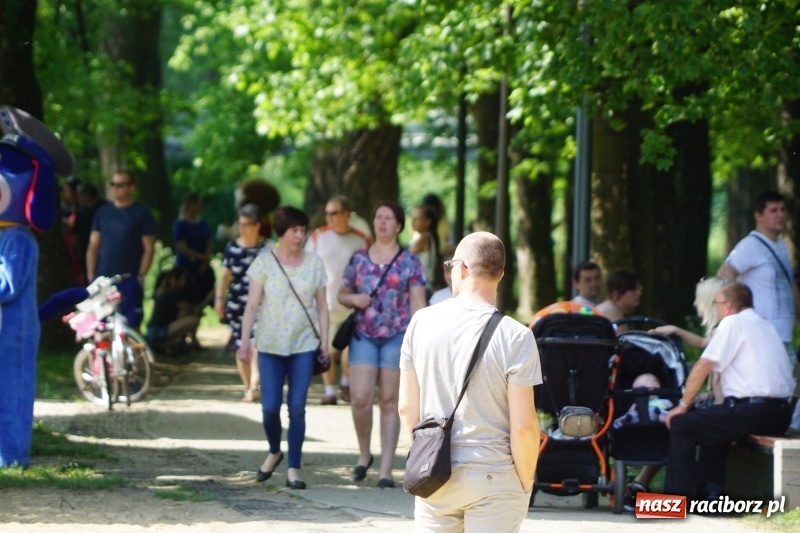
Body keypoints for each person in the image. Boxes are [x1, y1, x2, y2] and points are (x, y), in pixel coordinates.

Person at [398, 231, 541, 531]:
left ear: (460, 268)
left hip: (436, 479)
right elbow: (525, 426)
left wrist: (424, 462)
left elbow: (406, 408)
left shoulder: (420, 323)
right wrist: (525, 482)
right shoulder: (516, 336)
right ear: (500, 275)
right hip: (495, 478)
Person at [663, 282, 795, 500]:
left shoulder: (732, 322)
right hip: (781, 413)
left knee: (681, 424)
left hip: (754, 411)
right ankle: (710, 493)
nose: (716, 308)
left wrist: (683, 406)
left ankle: (675, 501)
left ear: (729, 306)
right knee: (714, 420)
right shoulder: (765, 324)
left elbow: (703, 366)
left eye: (717, 303)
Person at [337, 201, 427, 488]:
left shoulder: (409, 261)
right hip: (363, 334)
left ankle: (386, 469)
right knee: (360, 397)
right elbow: (342, 293)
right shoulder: (358, 258)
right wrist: (354, 299)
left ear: (399, 225)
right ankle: (364, 455)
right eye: (378, 217)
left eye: (389, 218)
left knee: (390, 400)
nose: (382, 222)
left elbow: (417, 303)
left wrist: (420, 338)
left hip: (396, 337)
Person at [238, 206, 328, 490]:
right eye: (294, 230)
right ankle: (275, 449)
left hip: (303, 344)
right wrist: (244, 343)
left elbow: (323, 307)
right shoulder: (264, 263)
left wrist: (324, 341)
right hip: (269, 344)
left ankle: (293, 468)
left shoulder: (314, 263)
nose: (300, 236)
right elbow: (251, 304)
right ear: (282, 232)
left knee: (298, 407)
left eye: (303, 230)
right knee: (269, 407)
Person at [717, 190, 800, 434]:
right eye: (773, 211)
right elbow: (725, 274)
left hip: (783, 332)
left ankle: (790, 436)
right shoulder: (750, 246)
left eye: (783, 210)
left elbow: (789, 284)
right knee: (784, 387)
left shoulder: (781, 245)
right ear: (758, 215)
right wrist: (741, 312)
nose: (780, 215)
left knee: (791, 386)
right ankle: (788, 439)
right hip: (766, 333)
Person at [305, 195, 370, 405]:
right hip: (324, 303)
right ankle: (328, 390)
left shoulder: (361, 239)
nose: (329, 217)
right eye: (327, 213)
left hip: (352, 303)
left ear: (346, 214)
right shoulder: (318, 236)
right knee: (326, 348)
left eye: (333, 213)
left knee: (350, 348)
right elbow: (307, 266)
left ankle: (345, 382)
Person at [86, 170, 156, 330]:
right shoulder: (103, 212)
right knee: (102, 326)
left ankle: (134, 355)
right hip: (103, 280)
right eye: (113, 184)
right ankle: (107, 356)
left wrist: (141, 275)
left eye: (120, 184)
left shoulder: (142, 213)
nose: (115, 188)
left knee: (132, 326)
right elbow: (93, 245)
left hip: (129, 278)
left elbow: (149, 247)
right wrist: (91, 274)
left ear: (131, 187)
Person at [215, 204, 269, 402]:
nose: (243, 228)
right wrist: (219, 299)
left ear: (257, 225)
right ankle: (248, 387)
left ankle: (256, 384)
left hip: (263, 305)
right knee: (242, 345)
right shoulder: (233, 248)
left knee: (257, 342)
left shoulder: (268, 248)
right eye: (241, 224)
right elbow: (225, 276)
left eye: (247, 224)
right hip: (237, 304)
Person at [173, 193, 215, 312]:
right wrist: (201, 257)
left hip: (202, 266)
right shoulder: (180, 225)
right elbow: (183, 247)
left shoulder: (203, 223)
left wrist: (205, 260)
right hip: (186, 267)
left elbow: (209, 242)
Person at [146, 267, 200, 356]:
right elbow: (189, 309)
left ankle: (169, 344)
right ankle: (170, 343)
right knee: (193, 320)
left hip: (153, 331)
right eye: (182, 280)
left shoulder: (162, 291)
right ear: (175, 279)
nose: (184, 283)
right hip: (159, 332)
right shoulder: (172, 294)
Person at [74, 182, 106, 280]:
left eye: (80, 195)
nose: (78, 198)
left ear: (88, 195)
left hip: (103, 252)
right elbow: (77, 233)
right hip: (86, 252)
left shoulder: (105, 209)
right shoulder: (80, 212)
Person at [596, 269, 641, 334]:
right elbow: (620, 343)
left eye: (639, 288)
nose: (639, 293)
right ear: (615, 294)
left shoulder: (607, 308)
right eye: (633, 289)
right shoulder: (614, 315)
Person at [409, 204, 441, 295]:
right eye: (413, 218)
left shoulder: (422, 238)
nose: (413, 222)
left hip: (421, 288)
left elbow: (403, 257)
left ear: (428, 222)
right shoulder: (429, 236)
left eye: (418, 219)